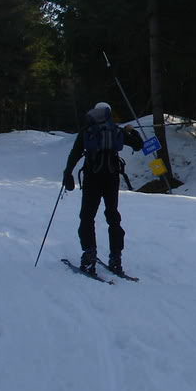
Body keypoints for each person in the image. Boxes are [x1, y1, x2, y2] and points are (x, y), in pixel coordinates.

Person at [63, 102, 143, 275]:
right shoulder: (117, 131)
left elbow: (75, 153)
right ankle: (116, 258)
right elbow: (139, 145)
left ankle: (89, 255)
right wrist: (131, 131)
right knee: (113, 215)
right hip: (112, 177)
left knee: (87, 216)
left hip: (92, 177)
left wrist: (67, 173)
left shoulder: (87, 131)